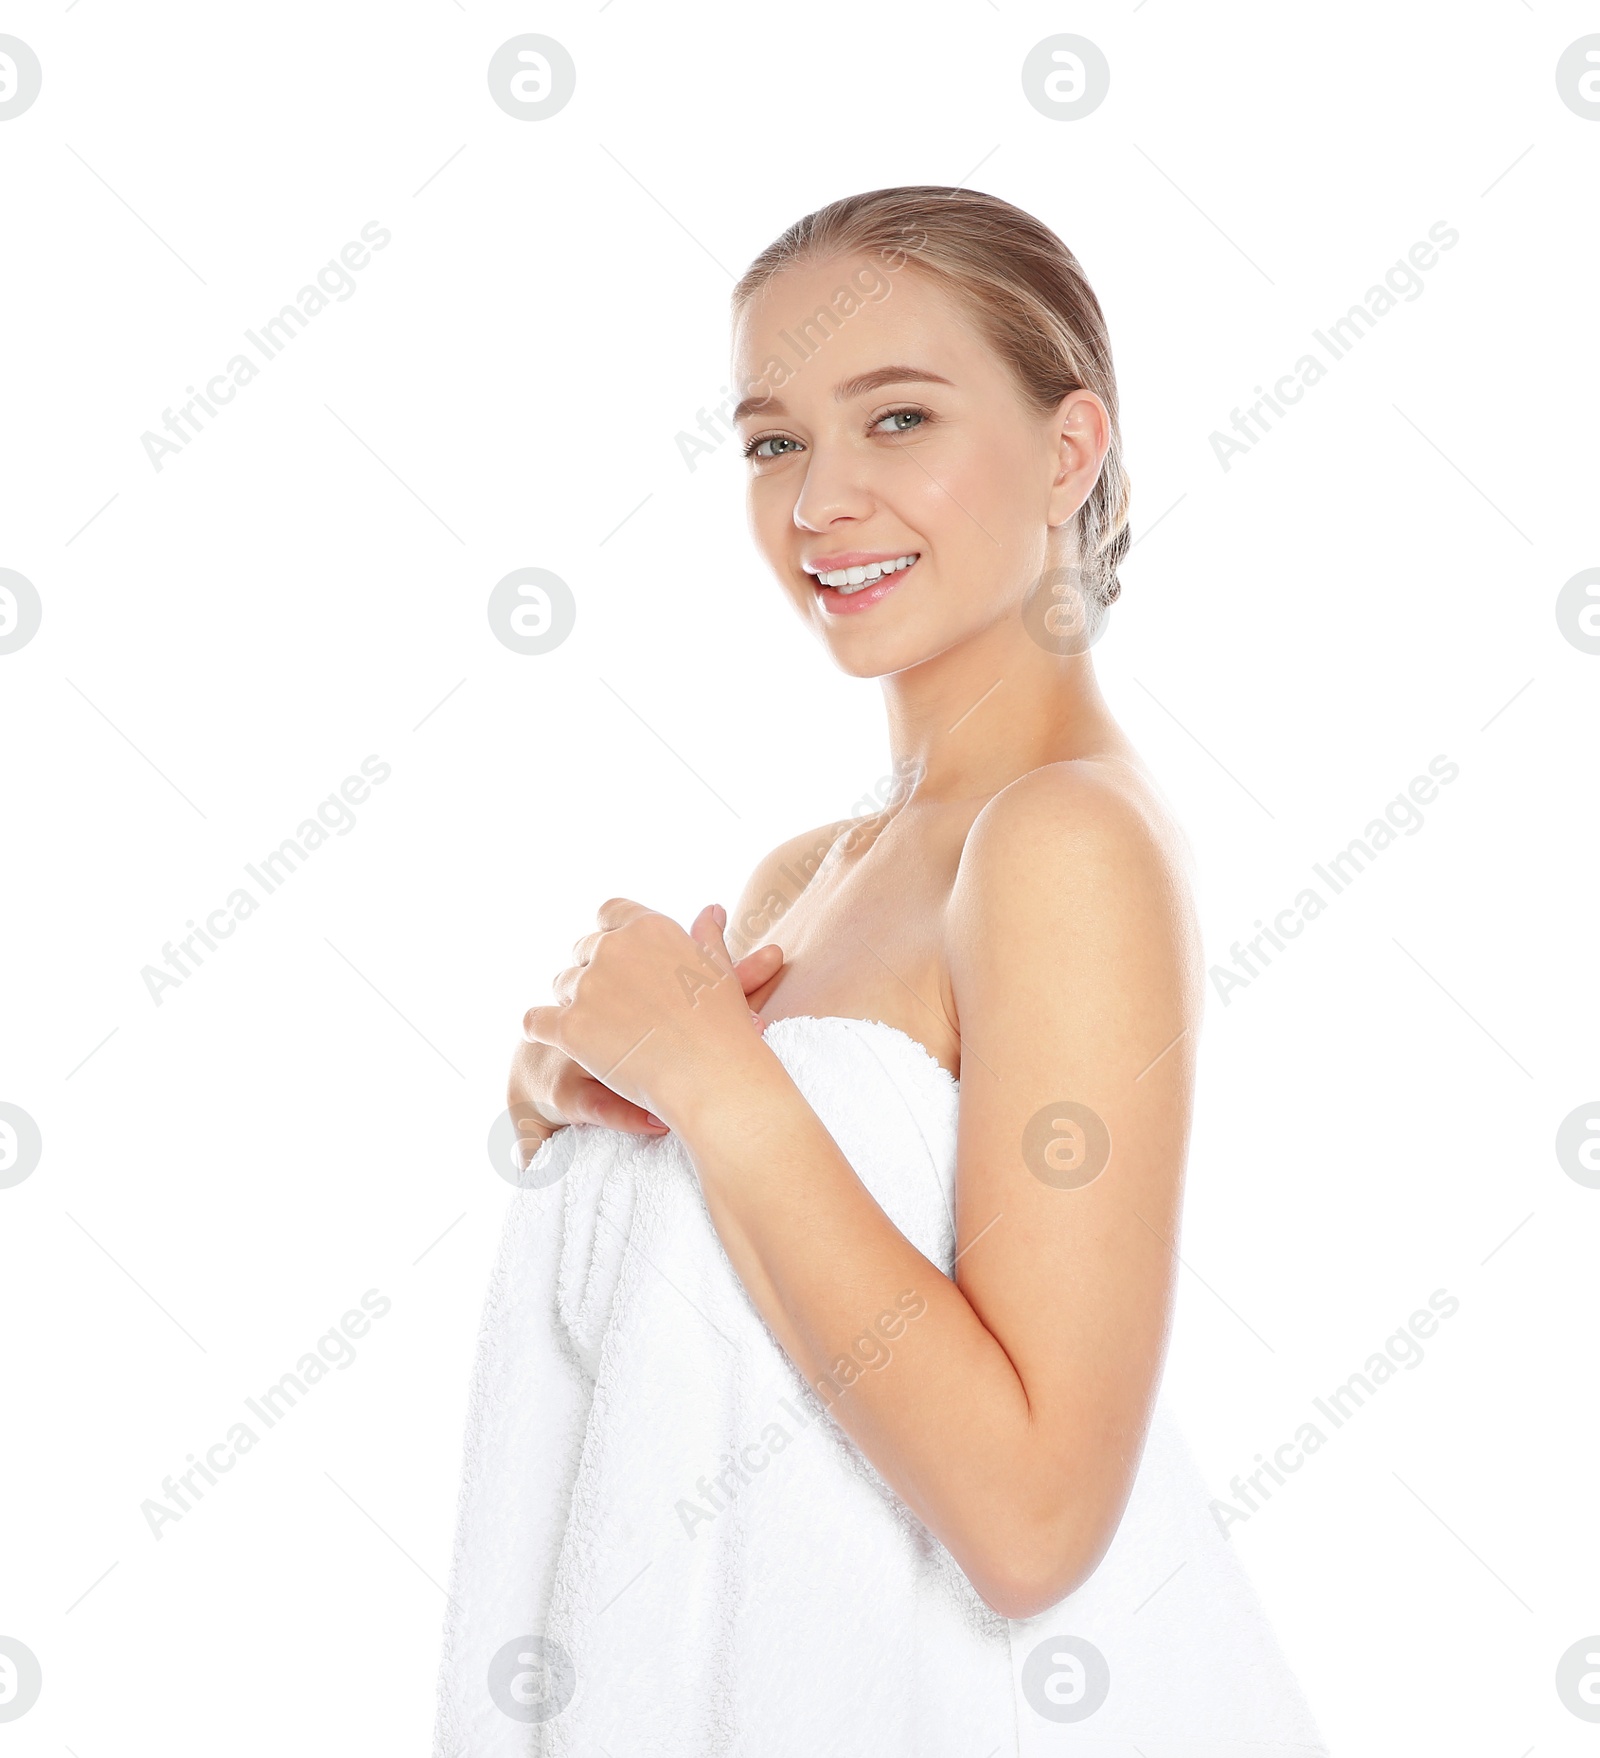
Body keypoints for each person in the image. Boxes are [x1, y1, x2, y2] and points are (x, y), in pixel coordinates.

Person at [433, 185, 1329, 1757]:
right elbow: (723, 1294)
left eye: (896, 418)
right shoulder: (813, 874)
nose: (819, 500)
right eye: (775, 442)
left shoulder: (1064, 843)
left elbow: (1036, 1520)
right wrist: (571, 1100)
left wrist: (714, 1081)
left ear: (1069, 451)